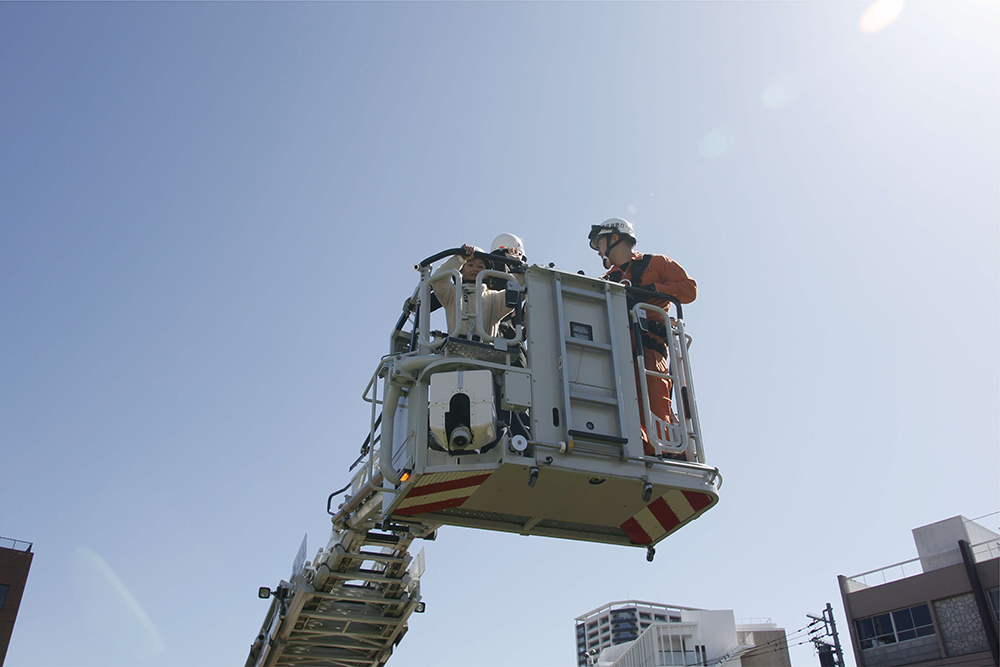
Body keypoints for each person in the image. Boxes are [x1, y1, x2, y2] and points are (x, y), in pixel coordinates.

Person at [588, 218, 697, 456]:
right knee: (622, 406)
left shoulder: (657, 263)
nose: (599, 252)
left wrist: (655, 290)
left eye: (600, 244)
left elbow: (689, 290)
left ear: (615, 237)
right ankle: (640, 453)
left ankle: (668, 454)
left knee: (656, 402)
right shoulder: (606, 281)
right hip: (618, 352)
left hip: (650, 349)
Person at [432, 243, 518, 339]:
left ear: (486, 274)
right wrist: (459, 259)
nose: (475, 269)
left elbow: (517, 292)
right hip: (456, 352)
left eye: (481, 267)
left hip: (487, 350)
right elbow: (438, 280)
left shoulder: (494, 298)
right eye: (470, 265)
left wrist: (517, 268)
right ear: (460, 270)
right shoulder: (452, 293)